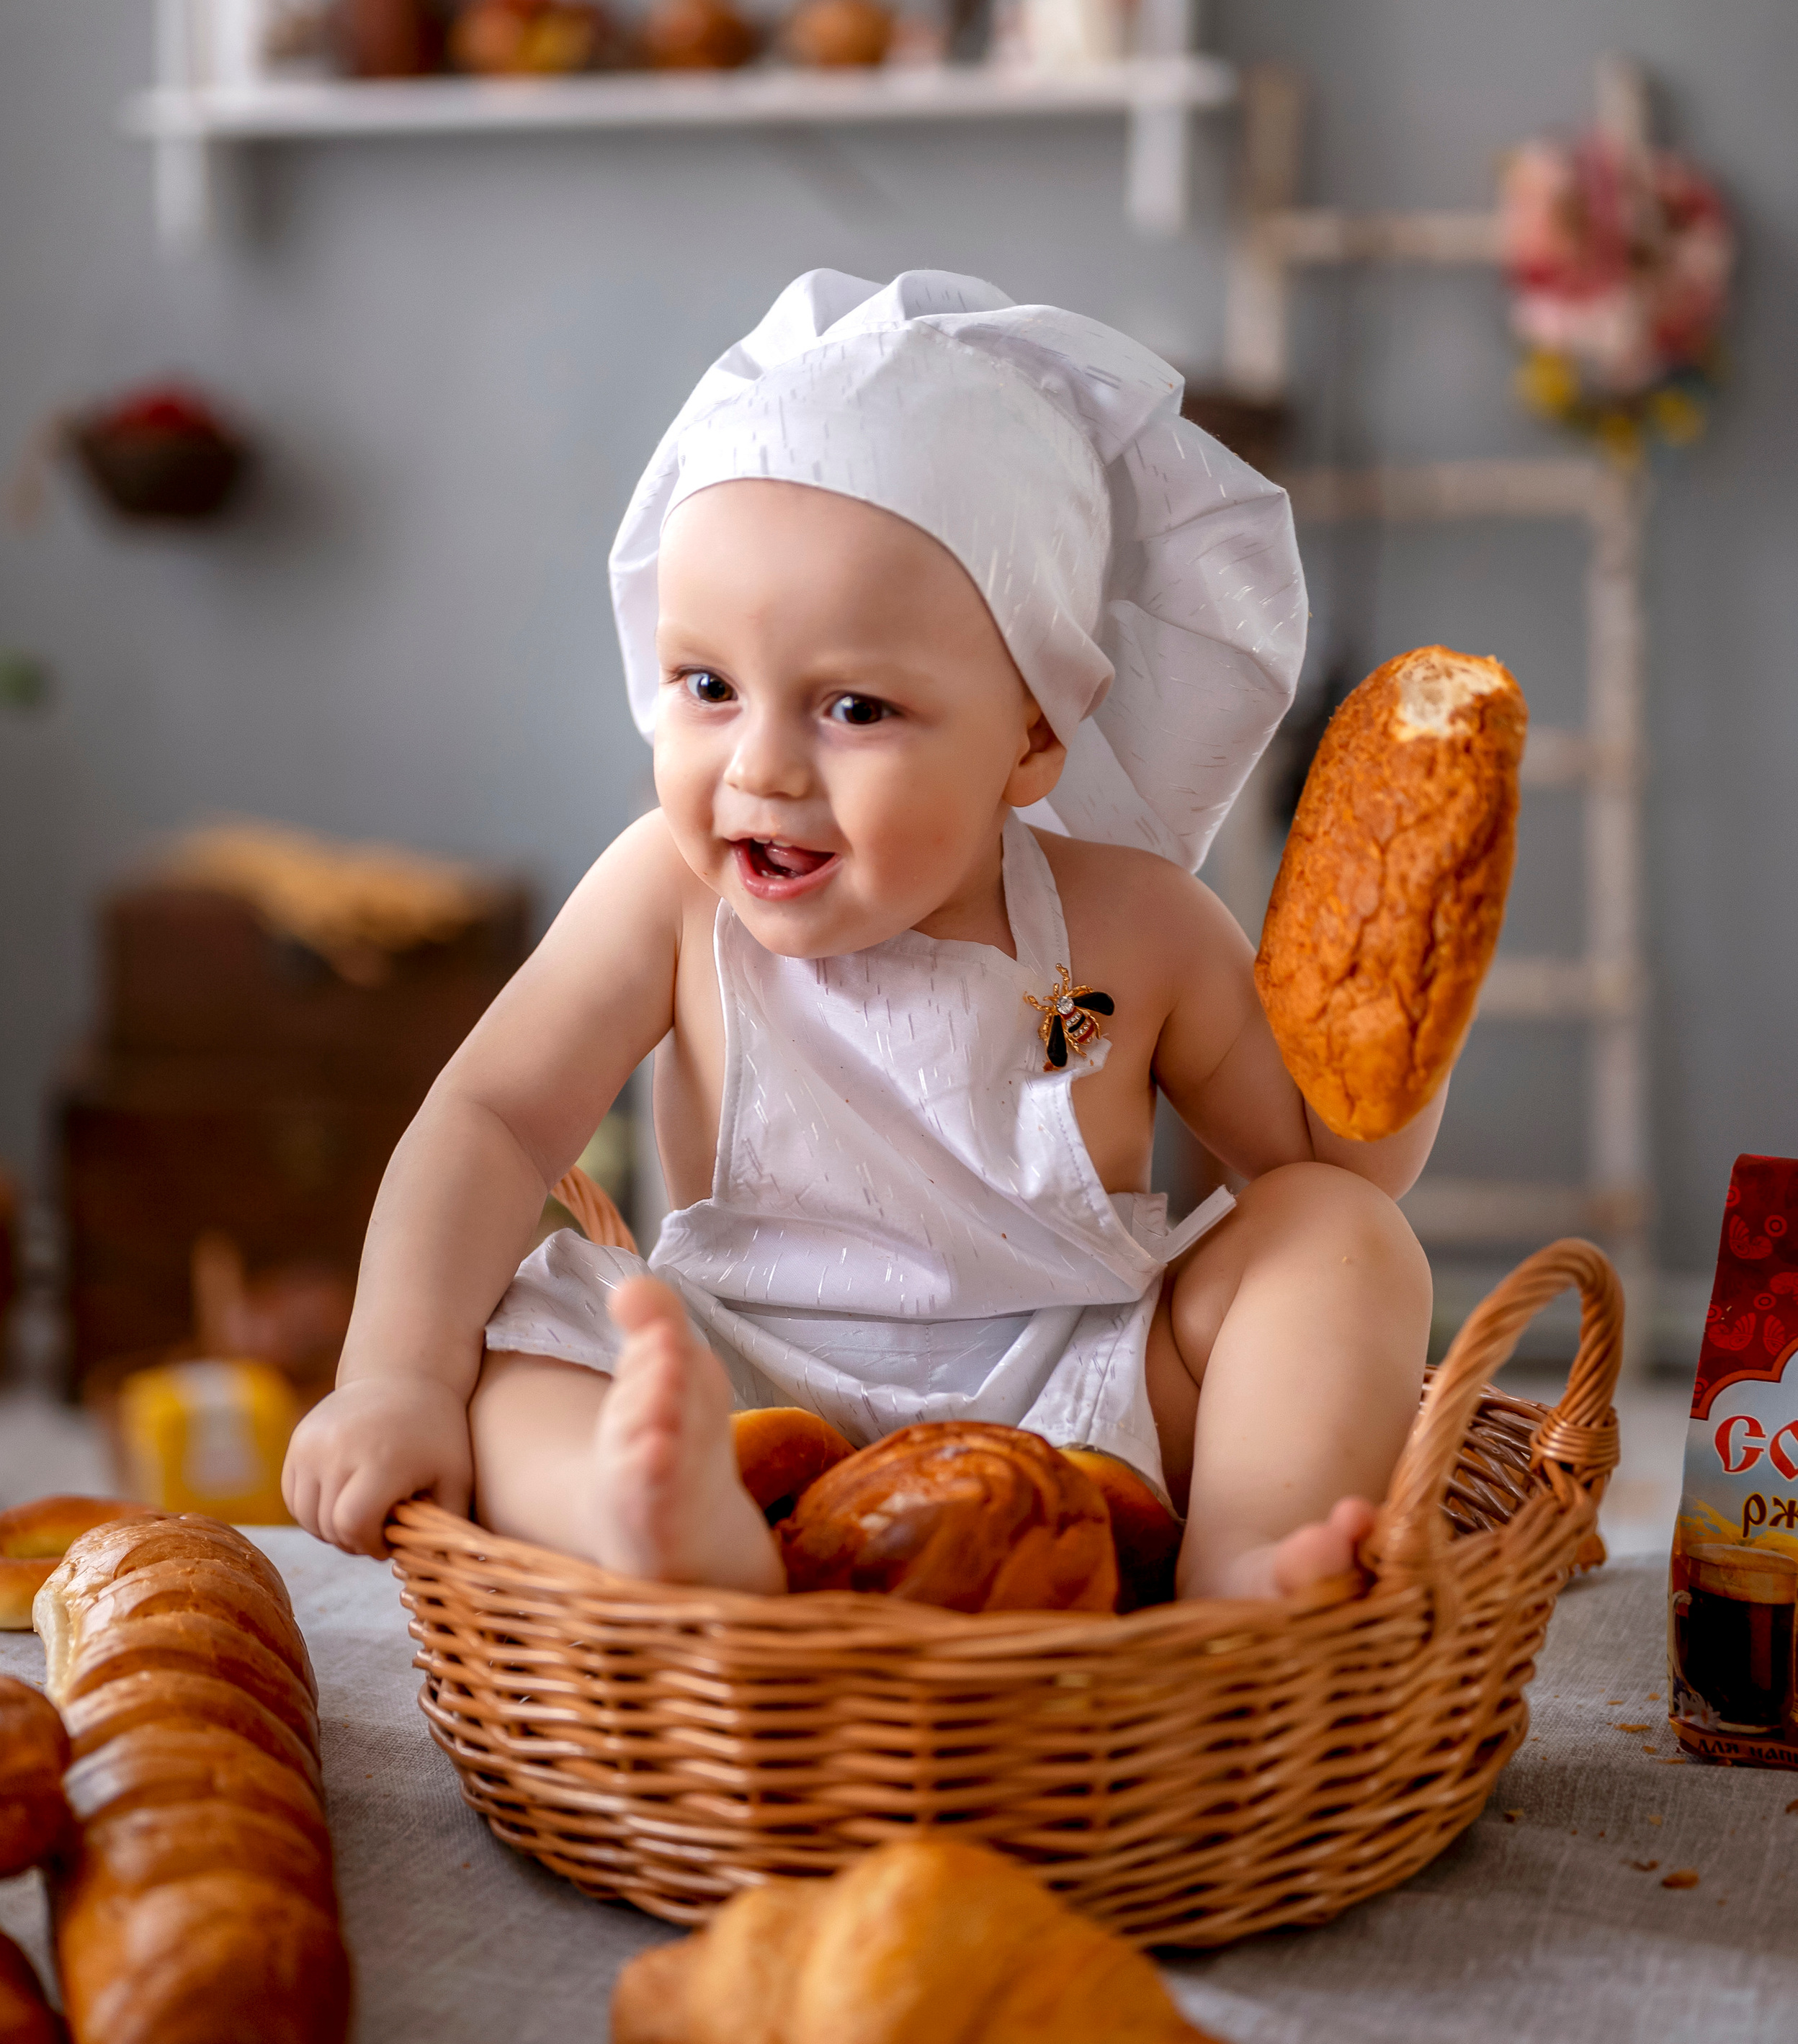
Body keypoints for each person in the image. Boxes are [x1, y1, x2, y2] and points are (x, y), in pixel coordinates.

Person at [284, 269, 1440, 1603]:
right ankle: (648, 1520)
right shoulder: (670, 891)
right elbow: (491, 1118)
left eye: (854, 709)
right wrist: (398, 1378)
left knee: (1334, 1239)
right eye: (708, 686)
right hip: (736, 1386)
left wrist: (1405, 1004)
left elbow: (1330, 1166)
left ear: (1033, 734)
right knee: (520, 1354)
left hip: (1077, 1408)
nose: (760, 767)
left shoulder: (1139, 925)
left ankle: (1248, 1564)